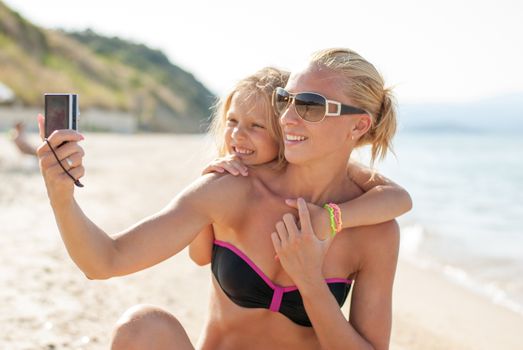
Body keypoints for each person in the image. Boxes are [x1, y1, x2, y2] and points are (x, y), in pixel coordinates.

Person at [37, 48, 406, 350]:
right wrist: (61, 197)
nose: (288, 117)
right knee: (142, 326)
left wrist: (310, 280)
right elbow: (105, 261)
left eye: (309, 105)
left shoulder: (374, 231)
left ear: (359, 125)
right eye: (284, 101)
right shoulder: (231, 188)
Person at [189, 67, 411, 266]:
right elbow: (200, 257)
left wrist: (330, 218)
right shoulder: (227, 181)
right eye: (232, 121)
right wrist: (205, 193)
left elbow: (399, 198)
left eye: (257, 125)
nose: (238, 135)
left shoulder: (345, 170)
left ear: (280, 131)